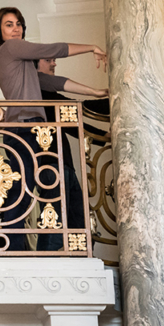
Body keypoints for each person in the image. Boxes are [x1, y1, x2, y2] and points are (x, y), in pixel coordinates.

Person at [0, 7, 107, 251]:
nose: (16, 28)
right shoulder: (9, 48)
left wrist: (95, 91)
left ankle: (30, 253)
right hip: (23, 128)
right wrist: (91, 47)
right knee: (22, 195)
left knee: (41, 194)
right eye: (9, 24)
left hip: (33, 130)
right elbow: (50, 49)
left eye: (19, 23)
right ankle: (12, 254)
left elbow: (56, 82)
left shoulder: (25, 69)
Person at [36, 57, 108, 234]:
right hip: (51, 165)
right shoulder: (38, 92)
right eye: (48, 60)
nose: (54, 63)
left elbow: (72, 120)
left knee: (76, 223)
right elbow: (77, 111)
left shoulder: (46, 94)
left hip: (61, 164)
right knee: (56, 223)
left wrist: (104, 136)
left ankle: (79, 259)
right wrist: (116, 99)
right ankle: (53, 260)